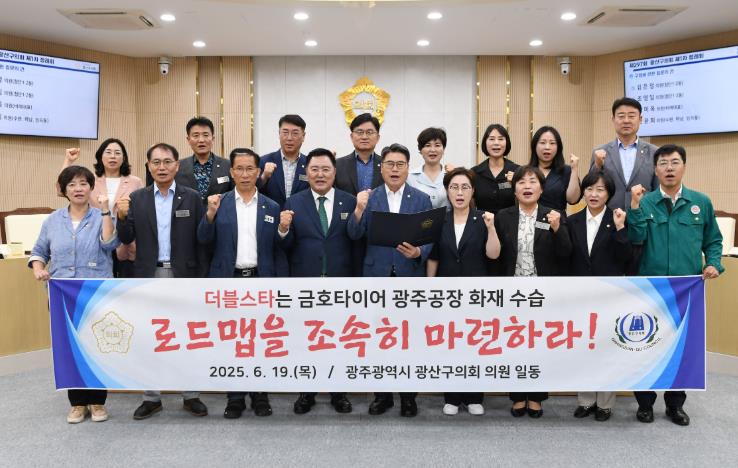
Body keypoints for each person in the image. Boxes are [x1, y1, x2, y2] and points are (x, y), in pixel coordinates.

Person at [628, 144, 724, 426]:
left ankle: (675, 405)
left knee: (681, 349)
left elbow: (713, 240)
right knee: (646, 345)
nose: (669, 168)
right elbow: (636, 238)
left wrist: (713, 263)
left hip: (686, 289)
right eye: (663, 163)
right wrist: (634, 208)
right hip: (652, 287)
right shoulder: (646, 202)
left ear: (684, 166)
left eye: (674, 162)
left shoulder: (700, 202)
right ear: (655, 170)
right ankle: (645, 404)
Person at [116, 143, 209, 420]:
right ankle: (151, 397)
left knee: (187, 336)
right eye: (156, 162)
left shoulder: (192, 197)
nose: (162, 167)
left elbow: (201, 240)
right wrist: (121, 216)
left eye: (167, 162)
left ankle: (191, 394)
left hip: (184, 277)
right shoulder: (137, 198)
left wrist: (202, 278)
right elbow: (126, 237)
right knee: (150, 337)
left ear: (177, 166)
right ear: (148, 166)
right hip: (149, 276)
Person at [197, 147, 284, 419]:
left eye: (250, 169)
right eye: (240, 169)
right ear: (231, 172)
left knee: (260, 340)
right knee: (232, 341)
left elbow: (280, 247)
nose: (245, 174)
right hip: (229, 281)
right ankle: (234, 397)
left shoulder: (272, 206)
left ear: (258, 172)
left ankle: (260, 395)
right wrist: (209, 215)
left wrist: (283, 230)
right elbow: (203, 239)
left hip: (260, 281)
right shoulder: (218, 202)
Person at [348, 143, 433, 417]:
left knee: (408, 339)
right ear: (381, 168)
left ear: (408, 168)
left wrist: (419, 252)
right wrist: (358, 209)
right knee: (378, 339)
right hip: (377, 277)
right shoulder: (369, 198)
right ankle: (382, 396)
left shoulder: (421, 199)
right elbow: (354, 234)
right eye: (389, 164)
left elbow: (430, 237)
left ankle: (408, 397)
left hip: (409, 275)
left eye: (400, 164)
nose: (395, 169)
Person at [29, 166, 119, 424]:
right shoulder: (52, 220)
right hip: (62, 293)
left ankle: (97, 401)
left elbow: (109, 244)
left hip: (95, 291)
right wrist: (38, 268)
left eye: (83, 183)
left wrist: (105, 210)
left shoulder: (102, 215)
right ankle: (77, 403)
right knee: (69, 348)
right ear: (64, 190)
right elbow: (39, 251)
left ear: (91, 187)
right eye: (72, 184)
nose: (78, 189)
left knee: (96, 347)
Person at [278, 148, 358, 415]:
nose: (320, 174)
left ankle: (339, 393)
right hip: (305, 284)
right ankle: (307, 392)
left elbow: (355, 242)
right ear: (306, 172)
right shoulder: (294, 202)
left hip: (341, 283)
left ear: (334, 173)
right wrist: (283, 229)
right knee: (307, 339)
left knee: (339, 339)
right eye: (315, 169)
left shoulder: (350, 202)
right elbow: (286, 245)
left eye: (326, 169)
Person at [489, 165, 572, 418]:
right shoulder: (503, 216)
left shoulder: (553, 215)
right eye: (522, 182)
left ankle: (536, 397)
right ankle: (517, 396)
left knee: (538, 344)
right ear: (514, 190)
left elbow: (566, 254)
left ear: (542, 189)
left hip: (542, 293)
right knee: (514, 343)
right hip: (512, 291)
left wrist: (558, 229)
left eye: (533, 181)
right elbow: (496, 257)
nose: (527, 186)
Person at [427, 167, 497, 416]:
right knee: (451, 345)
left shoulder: (483, 219)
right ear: (447, 191)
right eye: (454, 187)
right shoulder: (440, 220)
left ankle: (475, 396)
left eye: (465, 187)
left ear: (472, 191)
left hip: (476, 293)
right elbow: (433, 257)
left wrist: (491, 228)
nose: (459, 192)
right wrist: (430, 289)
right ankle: (453, 397)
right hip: (446, 293)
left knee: (475, 344)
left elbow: (493, 254)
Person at [568, 170, 632, 422]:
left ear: (609, 194)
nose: (594, 194)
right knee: (583, 348)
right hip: (579, 295)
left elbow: (626, 258)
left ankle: (605, 403)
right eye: (589, 189)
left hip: (608, 295)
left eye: (600, 190)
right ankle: (585, 400)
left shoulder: (617, 219)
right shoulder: (572, 221)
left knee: (607, 348)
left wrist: (620, 228)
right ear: (583, 192)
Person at [62, 140, 144, 277]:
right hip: (96, 240)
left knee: (125, 285)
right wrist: (68, 161)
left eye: (117, 153)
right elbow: (63, 188)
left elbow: (142, 211)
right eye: (108, 152)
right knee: (101, 285)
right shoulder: (90, 180)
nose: (113, 156)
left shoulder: (135, 182)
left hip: (126, 242)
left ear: (124, 158)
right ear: (100, 156)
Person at [590, 97, 658, 211]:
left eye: (631, 116)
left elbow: (658, 189)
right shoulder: (599, 152)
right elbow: (591, 186)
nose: (626, 120)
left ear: (640, 119)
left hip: (644, 216)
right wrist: (597, 165)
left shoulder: (654, 152)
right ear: (613, 119)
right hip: (609, 216)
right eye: (621, 116)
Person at [148, 116, 232, 205]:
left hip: (220, 213)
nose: (201, 140)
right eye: (196, 135)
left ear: (213, 139)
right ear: (188, 140)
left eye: (206, 135)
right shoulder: (177, 167)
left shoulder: (228, 165)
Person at [258, 114, 310, 208]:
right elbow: (251, 192)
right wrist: (264, 177)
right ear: (279, 134)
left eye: (295, 133)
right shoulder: (263, 161)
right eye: (285, 133)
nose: (289, 138)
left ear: (303, 136)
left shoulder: (310, 164)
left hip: (301, 216)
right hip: (271, 215)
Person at [529, 126, 580, 213]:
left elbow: (572, 200)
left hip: (557, 219)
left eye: (552, 143)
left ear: (558, 147)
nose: (547, 147)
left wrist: (574, 169)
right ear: (535, 146)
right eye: (542, 142)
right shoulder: (526, 171)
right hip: (530, 219)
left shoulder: (567, 171)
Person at [471, 124, 520, 214]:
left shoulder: (518, 171)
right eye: (492, 139)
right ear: (485, 143)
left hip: (510, 222)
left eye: (501, 139)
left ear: (507, 143)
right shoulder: (474, 173)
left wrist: (516, 184)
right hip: (482, 221)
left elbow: (525, 204)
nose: (496, 143)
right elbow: (471, 204)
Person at [335, 113, 383, 195]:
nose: (364, 137)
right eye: (359, 132)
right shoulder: (337, 165)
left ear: (378, 137)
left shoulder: (386, 164)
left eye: (369, 132)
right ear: (351, 137)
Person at [407, 127, 449, 209]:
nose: (432, 150)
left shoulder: (451, 175)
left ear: (443, 149)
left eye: (437, 145)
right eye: (427, 145)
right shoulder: (409, 177)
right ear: (420, 150)